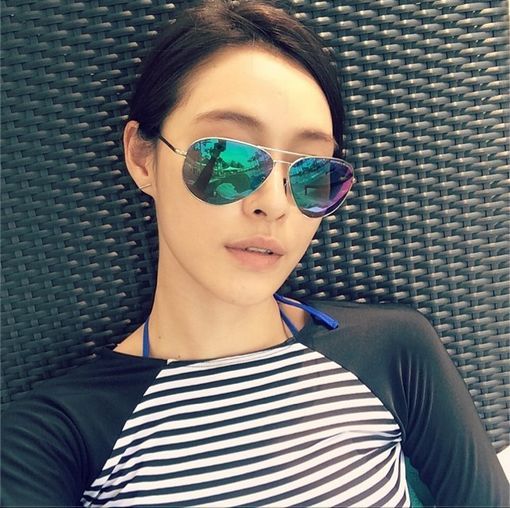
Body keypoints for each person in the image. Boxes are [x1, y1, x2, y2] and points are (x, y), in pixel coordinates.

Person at [1, 0, 508, 506]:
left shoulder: (393, 349)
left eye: (312, 171)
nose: (275, 204)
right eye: (228, 157)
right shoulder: (51, 438)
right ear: (142, 157)